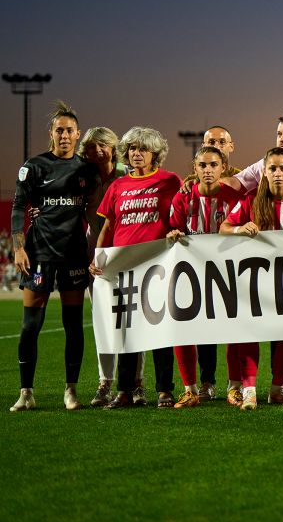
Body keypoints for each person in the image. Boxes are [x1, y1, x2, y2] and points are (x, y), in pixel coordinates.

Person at [10, 102, 100, 412]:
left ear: (78, 135)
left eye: (69, 130)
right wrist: (19, 247)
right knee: (29, 326)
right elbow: (19, 207)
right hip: (39, 255)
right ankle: (26, 392)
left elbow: (99, 206)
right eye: (58, 130)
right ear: (51, 133)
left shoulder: (87, 170)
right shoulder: (34, 166)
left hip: (74, 254)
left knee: (73, 324)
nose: (64, 135)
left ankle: (70, 391)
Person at [219, 147, 283, 408]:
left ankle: (276, 389)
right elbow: (224, 228)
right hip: (254, 279)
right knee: (250, 329)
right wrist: (241, 228)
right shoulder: (252, 199)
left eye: (282, 168)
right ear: (263, 171)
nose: (276, 173)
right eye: (271, 168)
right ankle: (249, 391)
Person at [92, 126, 182, 409]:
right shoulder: (117, 186)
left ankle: (165, 390)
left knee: (161, 329)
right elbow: (108, 225)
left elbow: (179, 218)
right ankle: (125, 391)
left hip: (159, 265)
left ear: (155, 153)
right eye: (132, 149)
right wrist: (98, 256)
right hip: (124, 268)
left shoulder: (170, 181)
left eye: (142, 149)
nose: (136, 154)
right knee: (127, 331)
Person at [166, 146, 245, 407]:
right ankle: (190, 389)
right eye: (202, 165)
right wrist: (173, 235)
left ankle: (234, 387)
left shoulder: (235, 196)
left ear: (223, 167)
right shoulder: (182, 198)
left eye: (213, 165)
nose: (207, 170)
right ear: (195, 168)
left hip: (227, 274)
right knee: (185, 329)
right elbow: (173, 230)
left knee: (233, 331)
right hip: (192, 274)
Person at [78, 126, 137, 407]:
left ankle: (136, 383)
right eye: (91, 147)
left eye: (102, 145)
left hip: (127, 251)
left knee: (136, 321)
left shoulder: (128, 173)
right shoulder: (84, 177)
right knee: (102, 321)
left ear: (113, 147)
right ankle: (105, 383)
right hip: (97, 255)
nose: (97, 151)